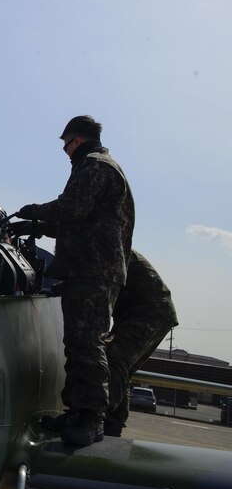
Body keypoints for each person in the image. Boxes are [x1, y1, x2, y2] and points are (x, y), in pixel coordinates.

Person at [16, 115, 134, 446]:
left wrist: (34, 211)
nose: (65, 150)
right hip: (88, 267)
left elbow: (74, 207)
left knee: (87, 343)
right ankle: (78, 410)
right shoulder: (96, 166)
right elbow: (83, 220)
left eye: (65, 143)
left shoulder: (96, 166)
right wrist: (39, 227)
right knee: (77, 342)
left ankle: (92, 417)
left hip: (93, 270)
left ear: (77, 140)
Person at [104, 250, 178, 436]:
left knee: (115, 358)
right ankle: (113, 422)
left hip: (149, 312)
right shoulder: (108, 245)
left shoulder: (107, 248)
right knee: (122, 366)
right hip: (149, 312)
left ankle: (98, 415)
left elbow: (95, 285)